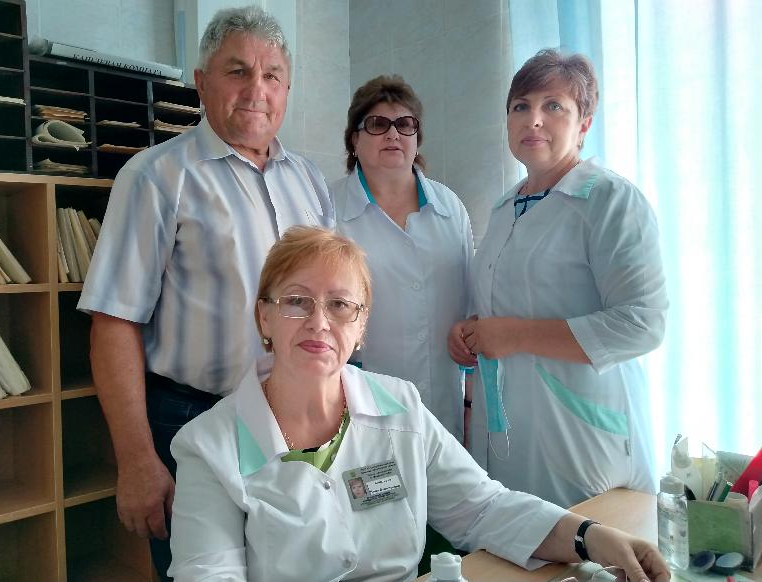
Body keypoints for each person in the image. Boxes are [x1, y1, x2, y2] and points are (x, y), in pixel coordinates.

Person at [167, 226, 670, 582]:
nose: (319, 322)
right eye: (297, 301)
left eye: (340, 305)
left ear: (361, 328)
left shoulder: (400, 406)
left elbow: (483, 509)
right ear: (264, 317)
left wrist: (590, 537)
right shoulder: (208, 447)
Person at [77, 6, 334, 580]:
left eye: (272, 75)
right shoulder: (156, 176)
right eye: (237, 71)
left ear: (286, 89)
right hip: (192, 418)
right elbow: (114, 323)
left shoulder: (310, 181)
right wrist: (137, 461)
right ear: (201, 81)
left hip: (298, 422)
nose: (256, 90)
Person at [449, 49, 668, 509]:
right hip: (511, 429)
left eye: (553, 106)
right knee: (513, 536)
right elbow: (508, 303)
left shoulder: (610, 200)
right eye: (521, 106)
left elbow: (641, 324)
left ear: (583, 124)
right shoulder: (505, 208)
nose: (533, 119)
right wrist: (472, 330)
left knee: (587, 545)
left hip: (582, 435)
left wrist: (514, 335)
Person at [331, 75, 474, 443]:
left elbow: (471, 306)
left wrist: (472, 399)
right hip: (361, 402)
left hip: (444, 402)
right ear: (354, 140)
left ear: (416, 137)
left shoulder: (450, 207)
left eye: (405, 124)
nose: (393, 134)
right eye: (378, 124)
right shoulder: (326, 209)